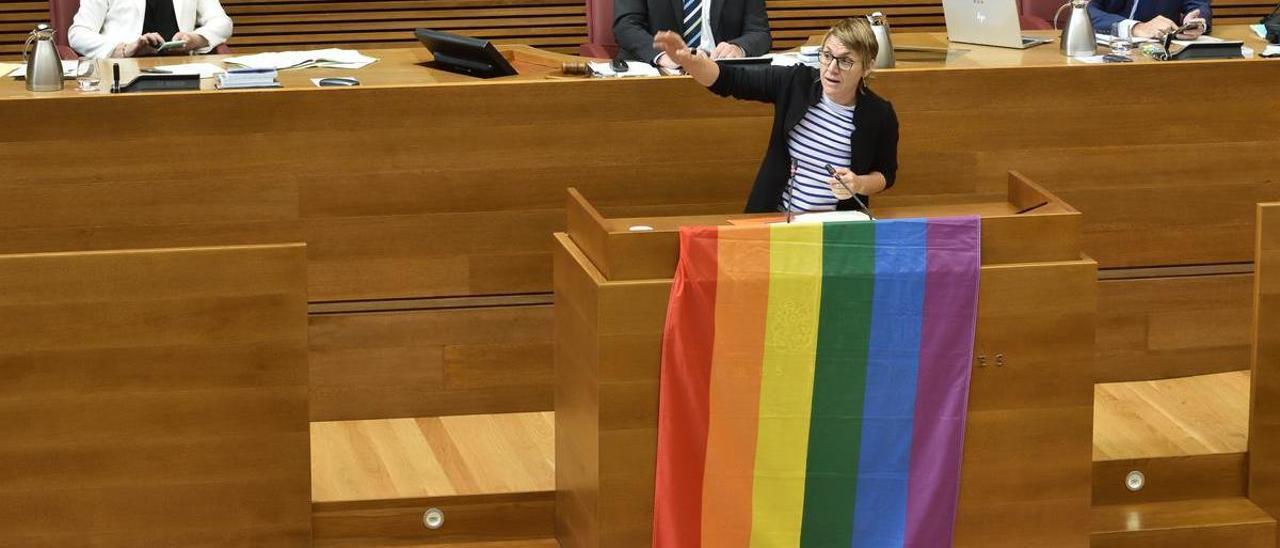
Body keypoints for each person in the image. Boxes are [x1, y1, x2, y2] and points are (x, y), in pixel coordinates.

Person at [652, 17, 898, 214]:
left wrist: (859, 185)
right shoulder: (795, 83)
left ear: (867, 67)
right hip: (776, 218)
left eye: (845, 61)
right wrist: (691, 62)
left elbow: (886, 174)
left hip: (836, 231)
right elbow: (728, 79)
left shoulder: (879, 114)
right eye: (827, 56)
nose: (832, 68)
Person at [613, 0, 770, 68]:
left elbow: (759, 32)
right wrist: (663, 55)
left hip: (721, 73)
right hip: (660, 75)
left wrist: (738, 48)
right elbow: (626, 26)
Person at [69, 0, 233, 59]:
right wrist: (122, 50)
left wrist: (196, 40)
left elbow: (222, 22)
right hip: (123, 72)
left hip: (182, 70)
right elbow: (78, 33)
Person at [1088, 0, 1210, 39]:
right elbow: (1086, 12)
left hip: (1161, 54)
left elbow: (1199, 6)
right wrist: (1135, 27)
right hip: (1105, 49)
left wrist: (1195, 23)